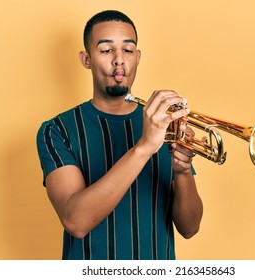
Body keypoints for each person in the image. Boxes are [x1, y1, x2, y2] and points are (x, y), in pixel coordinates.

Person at [36, 10, 203, 260]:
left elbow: (190, 228)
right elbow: (76, 221)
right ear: (86, 59)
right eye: (106, 50)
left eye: (127, 50)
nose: (118, 60)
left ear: (137, 57)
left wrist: (183, 170)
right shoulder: (56, 130)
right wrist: (144, 147)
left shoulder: (163, 123)